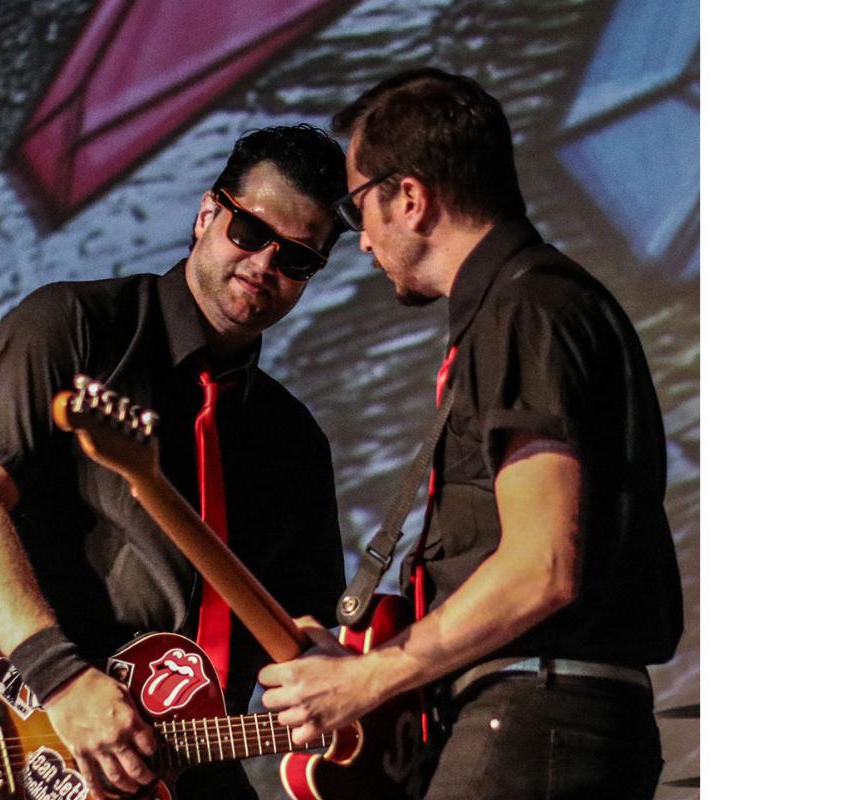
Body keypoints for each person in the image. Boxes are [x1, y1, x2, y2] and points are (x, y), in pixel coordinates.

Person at [259, 69, 683, 798]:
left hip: (533, 716)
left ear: (411, 198)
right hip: (545, 716)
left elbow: (541, 566)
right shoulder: (532, 305)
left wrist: (373, 676)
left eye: (359, 207)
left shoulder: (525, 311)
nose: (360, 242)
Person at [0, 124, 349, 799]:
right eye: (250, 232)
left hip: (193, 769)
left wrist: (369, 676)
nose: (266, 265)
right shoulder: (75, 324)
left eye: (296, 258)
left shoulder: (294, 440)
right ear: (207, 214)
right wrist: (60, 678)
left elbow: (303, 638)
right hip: (34, 738)